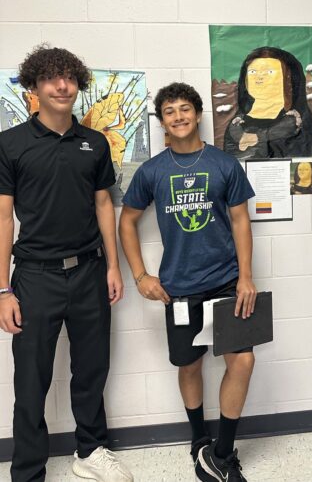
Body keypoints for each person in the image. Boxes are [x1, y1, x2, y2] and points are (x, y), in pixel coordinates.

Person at [0, 45, 132, 482]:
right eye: (52, 79)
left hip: (90, 271)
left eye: (70, 78)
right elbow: (3, 217)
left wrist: (114, 266)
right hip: (35, 277)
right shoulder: (10, 144)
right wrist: (3, 290)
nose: (62, 86)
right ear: (34, 87)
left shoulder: (93, 143)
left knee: (92, 368)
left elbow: (103, 205)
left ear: (78, 84)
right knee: (31, 380)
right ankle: (27, 470)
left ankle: (90, 450)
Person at [119, 82, 257, 482]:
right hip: (178, 288)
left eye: (184, 109)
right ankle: (198, 440)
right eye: (169, 111)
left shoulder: (223, 164)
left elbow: (240, 220)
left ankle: (222, 452)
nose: (178, 116)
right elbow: (126, 221)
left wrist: (246, 277)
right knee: (190, 365)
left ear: (197, 115)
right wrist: (141, 275)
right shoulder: (152, 171)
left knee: (243, 360)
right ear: (162, 122)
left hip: (227, 282)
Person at [223, 46, 312, 159]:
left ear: (288, 77)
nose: (259, 77)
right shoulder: (236, 124)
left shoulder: (298, 122)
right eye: (253, 71)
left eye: (269, 71)